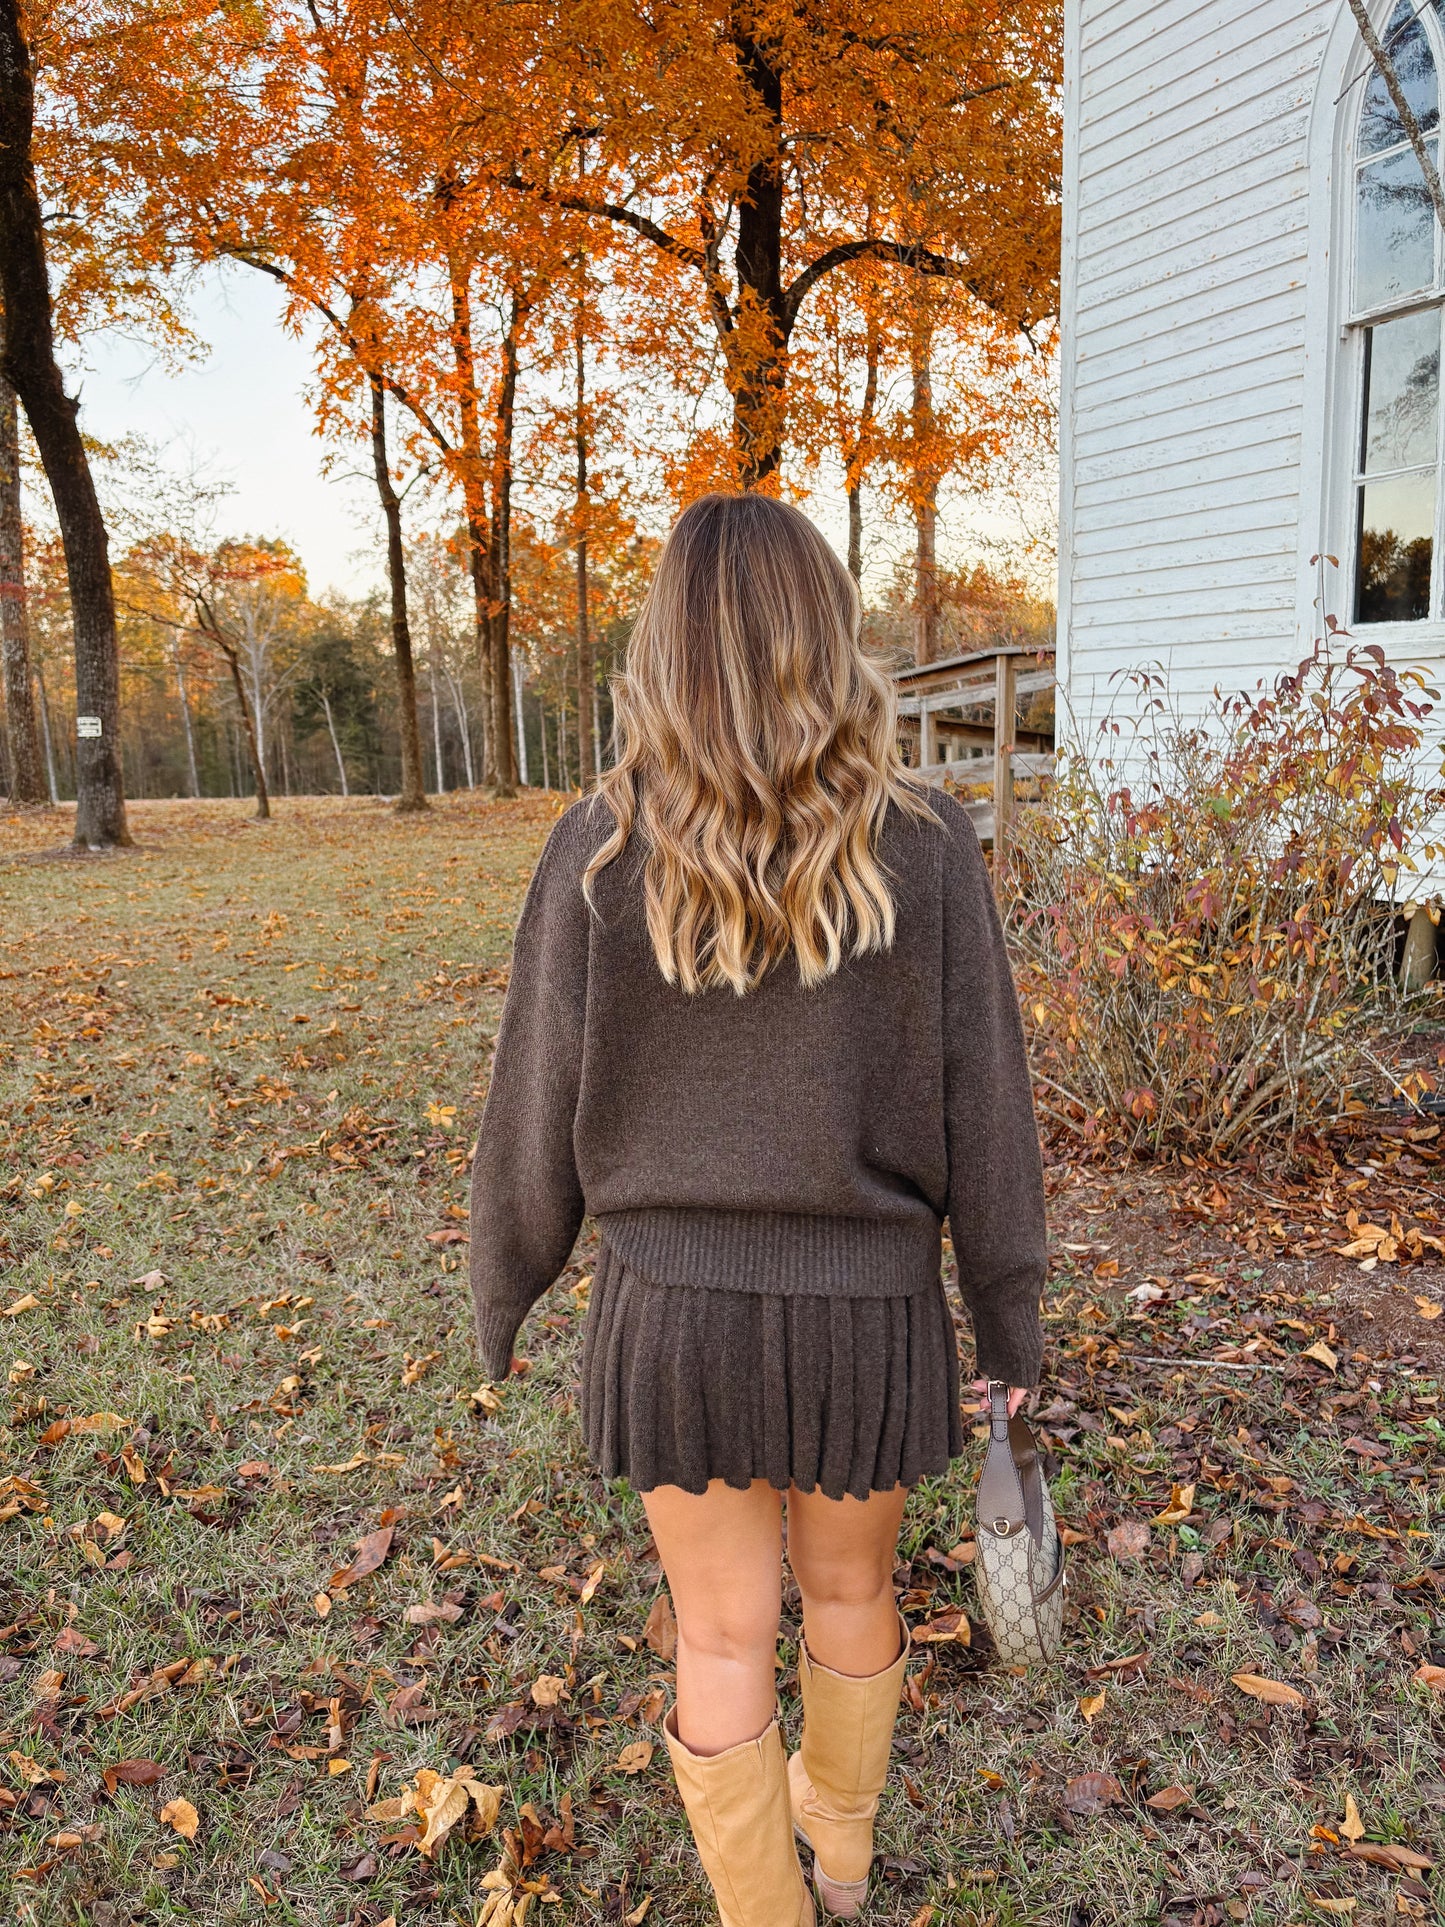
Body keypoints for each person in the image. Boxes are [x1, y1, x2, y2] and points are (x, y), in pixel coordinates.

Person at [468, 492, 1046, 1925]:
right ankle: (836, 1867)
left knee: (720, 1638)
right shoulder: (922, 842)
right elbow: (991, 1099)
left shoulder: (598, 849)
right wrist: (1011, 1318)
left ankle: (769, 1914)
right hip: (872, 1320)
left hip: (672, 1321)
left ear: (665, 647)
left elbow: (534, 1093)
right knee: (851, 1605)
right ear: (827, 638)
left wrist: (507, 1281)